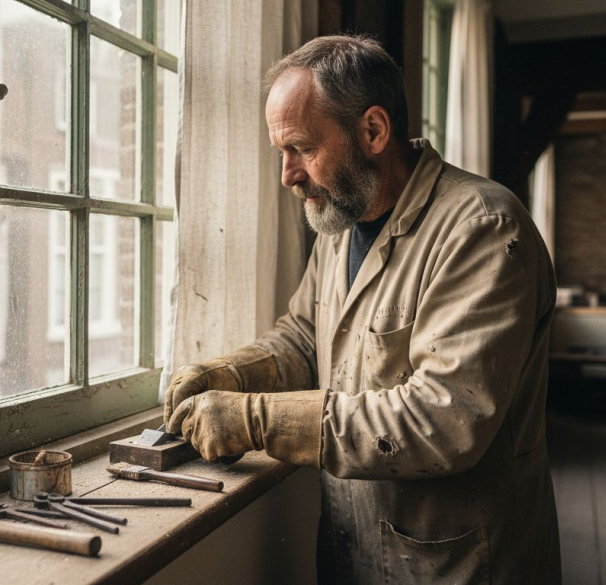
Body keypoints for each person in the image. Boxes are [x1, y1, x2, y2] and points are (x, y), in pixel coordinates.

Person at [164, 35, 561, 584]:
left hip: (461, 565)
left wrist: (253, 420)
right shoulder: (340, 218)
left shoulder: (484, 230)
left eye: (302, 148)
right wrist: (229, 374)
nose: (288, 175)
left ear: (373, 131)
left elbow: (443, 419)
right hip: (355, 554)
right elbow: (305, 337)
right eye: (282, 152)